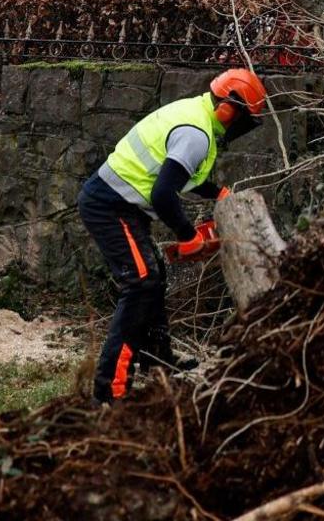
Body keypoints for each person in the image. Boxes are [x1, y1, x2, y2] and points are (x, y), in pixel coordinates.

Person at [77, 66, 269, 403]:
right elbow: (163, 195)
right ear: (229, 109)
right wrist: (187, 235)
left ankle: (156, 357)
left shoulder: (198, 116)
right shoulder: (197, 132)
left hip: (123, 203)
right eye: (244, 119)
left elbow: (180, 176)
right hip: (109, 204)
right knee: (140, 283)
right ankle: (109, 391)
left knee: (155, 274)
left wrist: (219, 193)